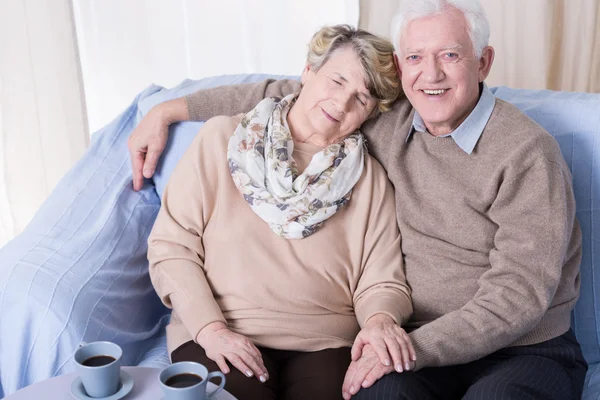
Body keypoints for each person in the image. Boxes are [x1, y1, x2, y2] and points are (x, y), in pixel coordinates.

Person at [133, 1, 588, 398]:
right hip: (412, 344)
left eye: (450, 55)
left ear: (483, 62)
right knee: (375, 395)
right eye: (415, 57)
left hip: (518, 348)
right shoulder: (390, 122)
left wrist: (397, 338)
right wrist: (170, 109)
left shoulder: (526, 153)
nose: (431, 74)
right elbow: (287, 93)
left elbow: (520, 294)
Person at [146, 25, 416, 400]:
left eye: (362, 98)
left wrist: (380, 321)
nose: (342, 103)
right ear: (308, 72)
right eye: (337, 81)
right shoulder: (221, 140)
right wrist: (211, 330)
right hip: (222, 329)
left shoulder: (369, 178)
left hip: (326, 342)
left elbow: (382, 280)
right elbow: (171, 248)